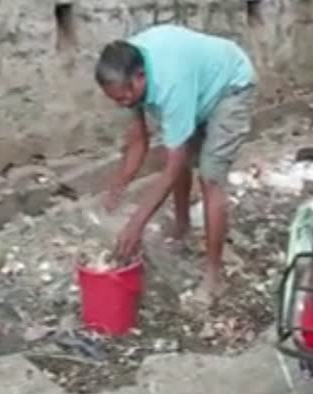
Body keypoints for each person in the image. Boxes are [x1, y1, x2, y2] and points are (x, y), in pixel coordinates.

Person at [94, 24, 257, 304]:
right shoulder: (125, 65)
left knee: (210, 176)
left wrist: (136, 224)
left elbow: (171, 167)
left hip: (231, 85)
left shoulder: (171, 83)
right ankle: (182, 228)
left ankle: (213, 277)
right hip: (199, 87)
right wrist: (119, 185)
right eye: (116, 100)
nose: (122, 104)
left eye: (124, 97)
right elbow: (138, 142)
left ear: (140, 77)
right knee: (178, 156)